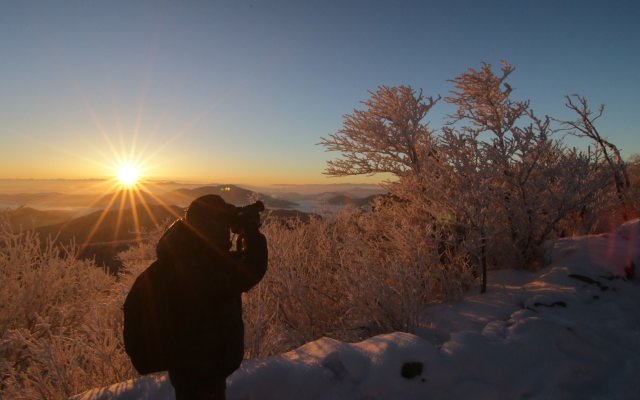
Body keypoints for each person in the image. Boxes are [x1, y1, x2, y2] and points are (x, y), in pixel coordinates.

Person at [156, 194, 268, 400]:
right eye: (223, 224)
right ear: (211, 226)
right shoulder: (196, 264)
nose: (227, 230)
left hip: (193, 365)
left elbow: (228, 266)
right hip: (202, 366)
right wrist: (251, 232)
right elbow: (248, 271)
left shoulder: (184, 250)